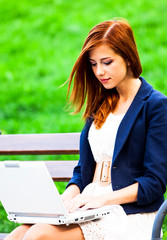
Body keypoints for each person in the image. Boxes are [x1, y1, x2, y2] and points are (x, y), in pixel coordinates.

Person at [5, 18, 167, 240]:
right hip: (89, 205)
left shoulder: (155, 105)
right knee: (18, 234)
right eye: (93, 64)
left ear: (128, 57)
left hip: (128, 214)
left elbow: (154, 183)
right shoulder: (102, 102)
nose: (99, 71)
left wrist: (101, 200)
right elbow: (83, 170)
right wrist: (67, 197)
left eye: (107, 62)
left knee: (38, 235)